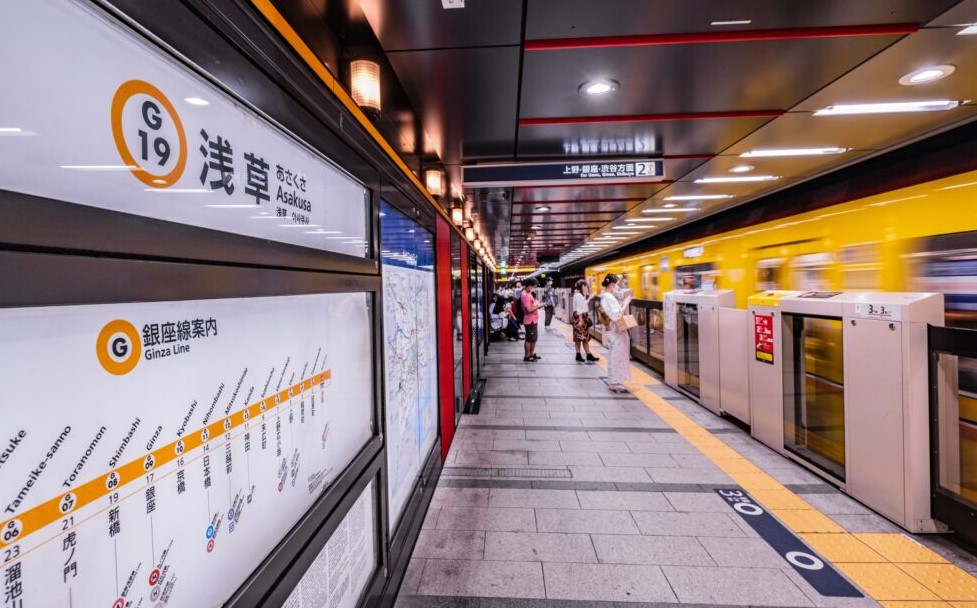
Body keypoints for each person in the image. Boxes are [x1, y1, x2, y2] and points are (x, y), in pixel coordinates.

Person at [598, 273, 632, 392]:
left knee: (616, 355)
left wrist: (622, 304)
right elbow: (617, 315)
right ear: (612, 285)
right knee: (616, 355)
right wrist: (626, 302)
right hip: (615, 332)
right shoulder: (608, 297)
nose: (617, 287)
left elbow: (614, 311)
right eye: (616, 285)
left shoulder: (605, 297)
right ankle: (614, 382)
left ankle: (614, 380)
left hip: (613, 331)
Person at [571, 279, 599, 363]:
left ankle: (580, 355)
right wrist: (580, 320)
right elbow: (580, 309)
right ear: (582, 286)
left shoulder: (579, 295)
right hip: (581, 318)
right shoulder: (578, 295)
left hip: (580, 317)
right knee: (583, 338)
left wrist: (589, 298)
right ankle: (587, 355)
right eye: (586, 286)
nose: (587, 288)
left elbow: (582, 305)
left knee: (579, 337)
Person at [520, 278, 542, 362]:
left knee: (533, 338)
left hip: (533, 319)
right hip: (530, 320)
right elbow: (528, 309)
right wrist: (538, 306)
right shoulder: (525, 295)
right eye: (533, 286)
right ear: (529, 286)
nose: (534, 288)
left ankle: (531, 354)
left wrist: (536, 304)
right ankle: (527, 356)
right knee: (529, 338)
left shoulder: (528, 293)